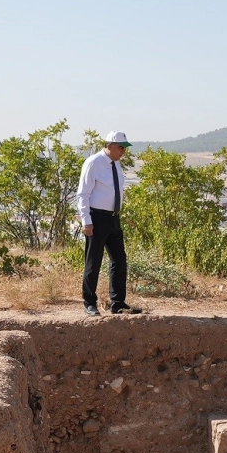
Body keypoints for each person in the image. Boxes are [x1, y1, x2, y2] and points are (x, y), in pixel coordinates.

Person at [77, 132, 142, 316]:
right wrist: (86, 221)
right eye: (121, 147)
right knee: (93, 261)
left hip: (113, 218)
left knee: (119, 260)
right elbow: (83, 194)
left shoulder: (116, 164)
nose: (123, 151)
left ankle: (118, 303)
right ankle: (89, 302)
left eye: (125, 148)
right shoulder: (93, 163)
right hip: (96, 218)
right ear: (110, 145)